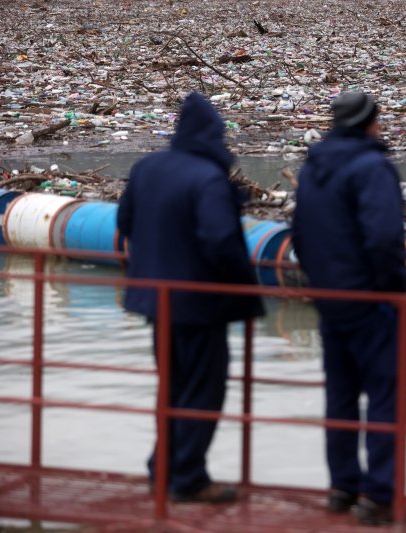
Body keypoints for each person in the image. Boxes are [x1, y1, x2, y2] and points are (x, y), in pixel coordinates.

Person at [117, 91, 264, 504]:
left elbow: (125, 221)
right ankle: (188, 478)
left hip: (155, 302)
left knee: (172, 388)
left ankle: (161, 469)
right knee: (203, 391)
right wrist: (243, 289)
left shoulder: (147, 168)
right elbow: (220, 241)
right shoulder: (208, 177)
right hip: (200, 304)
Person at [291, 92, 406, 525]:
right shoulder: (372, 167)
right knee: (384, 395)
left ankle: (343, 486)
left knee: (340, 395)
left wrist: (320, 282)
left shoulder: (313, 167)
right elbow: (383, 238)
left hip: (330, 300)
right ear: (369, 122)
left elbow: (300, 235)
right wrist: (394, 288)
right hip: (370, 300)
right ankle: (380, 496)